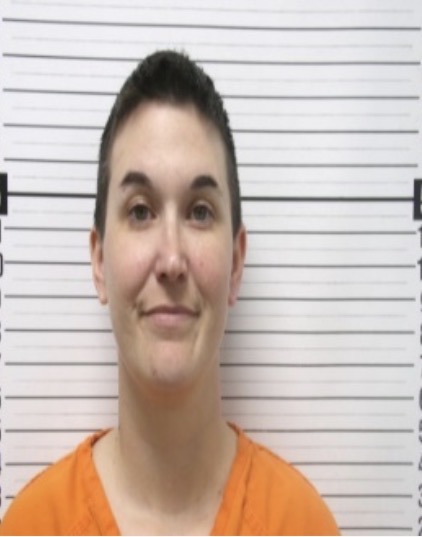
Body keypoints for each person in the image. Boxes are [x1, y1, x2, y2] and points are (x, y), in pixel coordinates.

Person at [0, 50, 339, 536]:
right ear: (99, 260)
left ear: (236, 262)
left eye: (200, 212)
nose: (172, 260)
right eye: (140, 211)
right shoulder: (32, 526)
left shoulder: (301, 525)